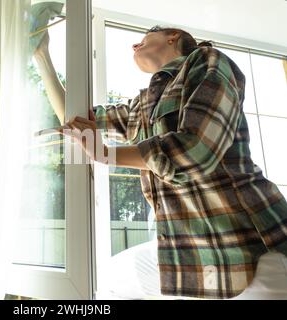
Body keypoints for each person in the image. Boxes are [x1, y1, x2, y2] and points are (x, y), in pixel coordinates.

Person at [33, 25, 287, 299]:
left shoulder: (207, 61)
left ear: (173, 36)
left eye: (143, 39)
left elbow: (194, 150)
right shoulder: (140, 106)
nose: (133, 47)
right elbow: (75, 121)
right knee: (107, 282)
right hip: (197, 253)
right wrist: (42, 55)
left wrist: (106, 154)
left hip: (259, 249)